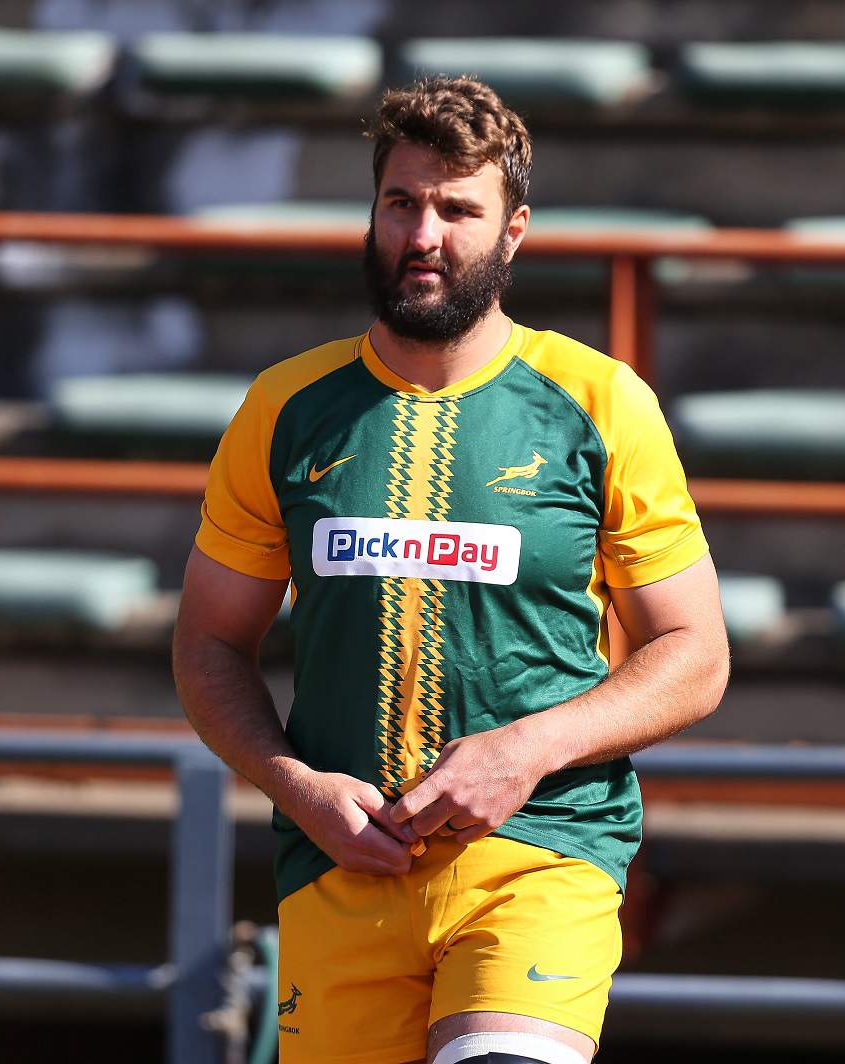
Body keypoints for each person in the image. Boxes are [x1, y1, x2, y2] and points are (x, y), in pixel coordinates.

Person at [173, 75, 730, 1064]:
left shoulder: (600, 401)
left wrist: (526, 750)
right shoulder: (284, 406)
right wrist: (294, 785)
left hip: (540, 857)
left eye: (456, 209)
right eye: (401, 203)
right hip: (339, 872)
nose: (422, 234)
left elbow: (694, 654)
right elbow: (210, 642)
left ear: (513, 231)